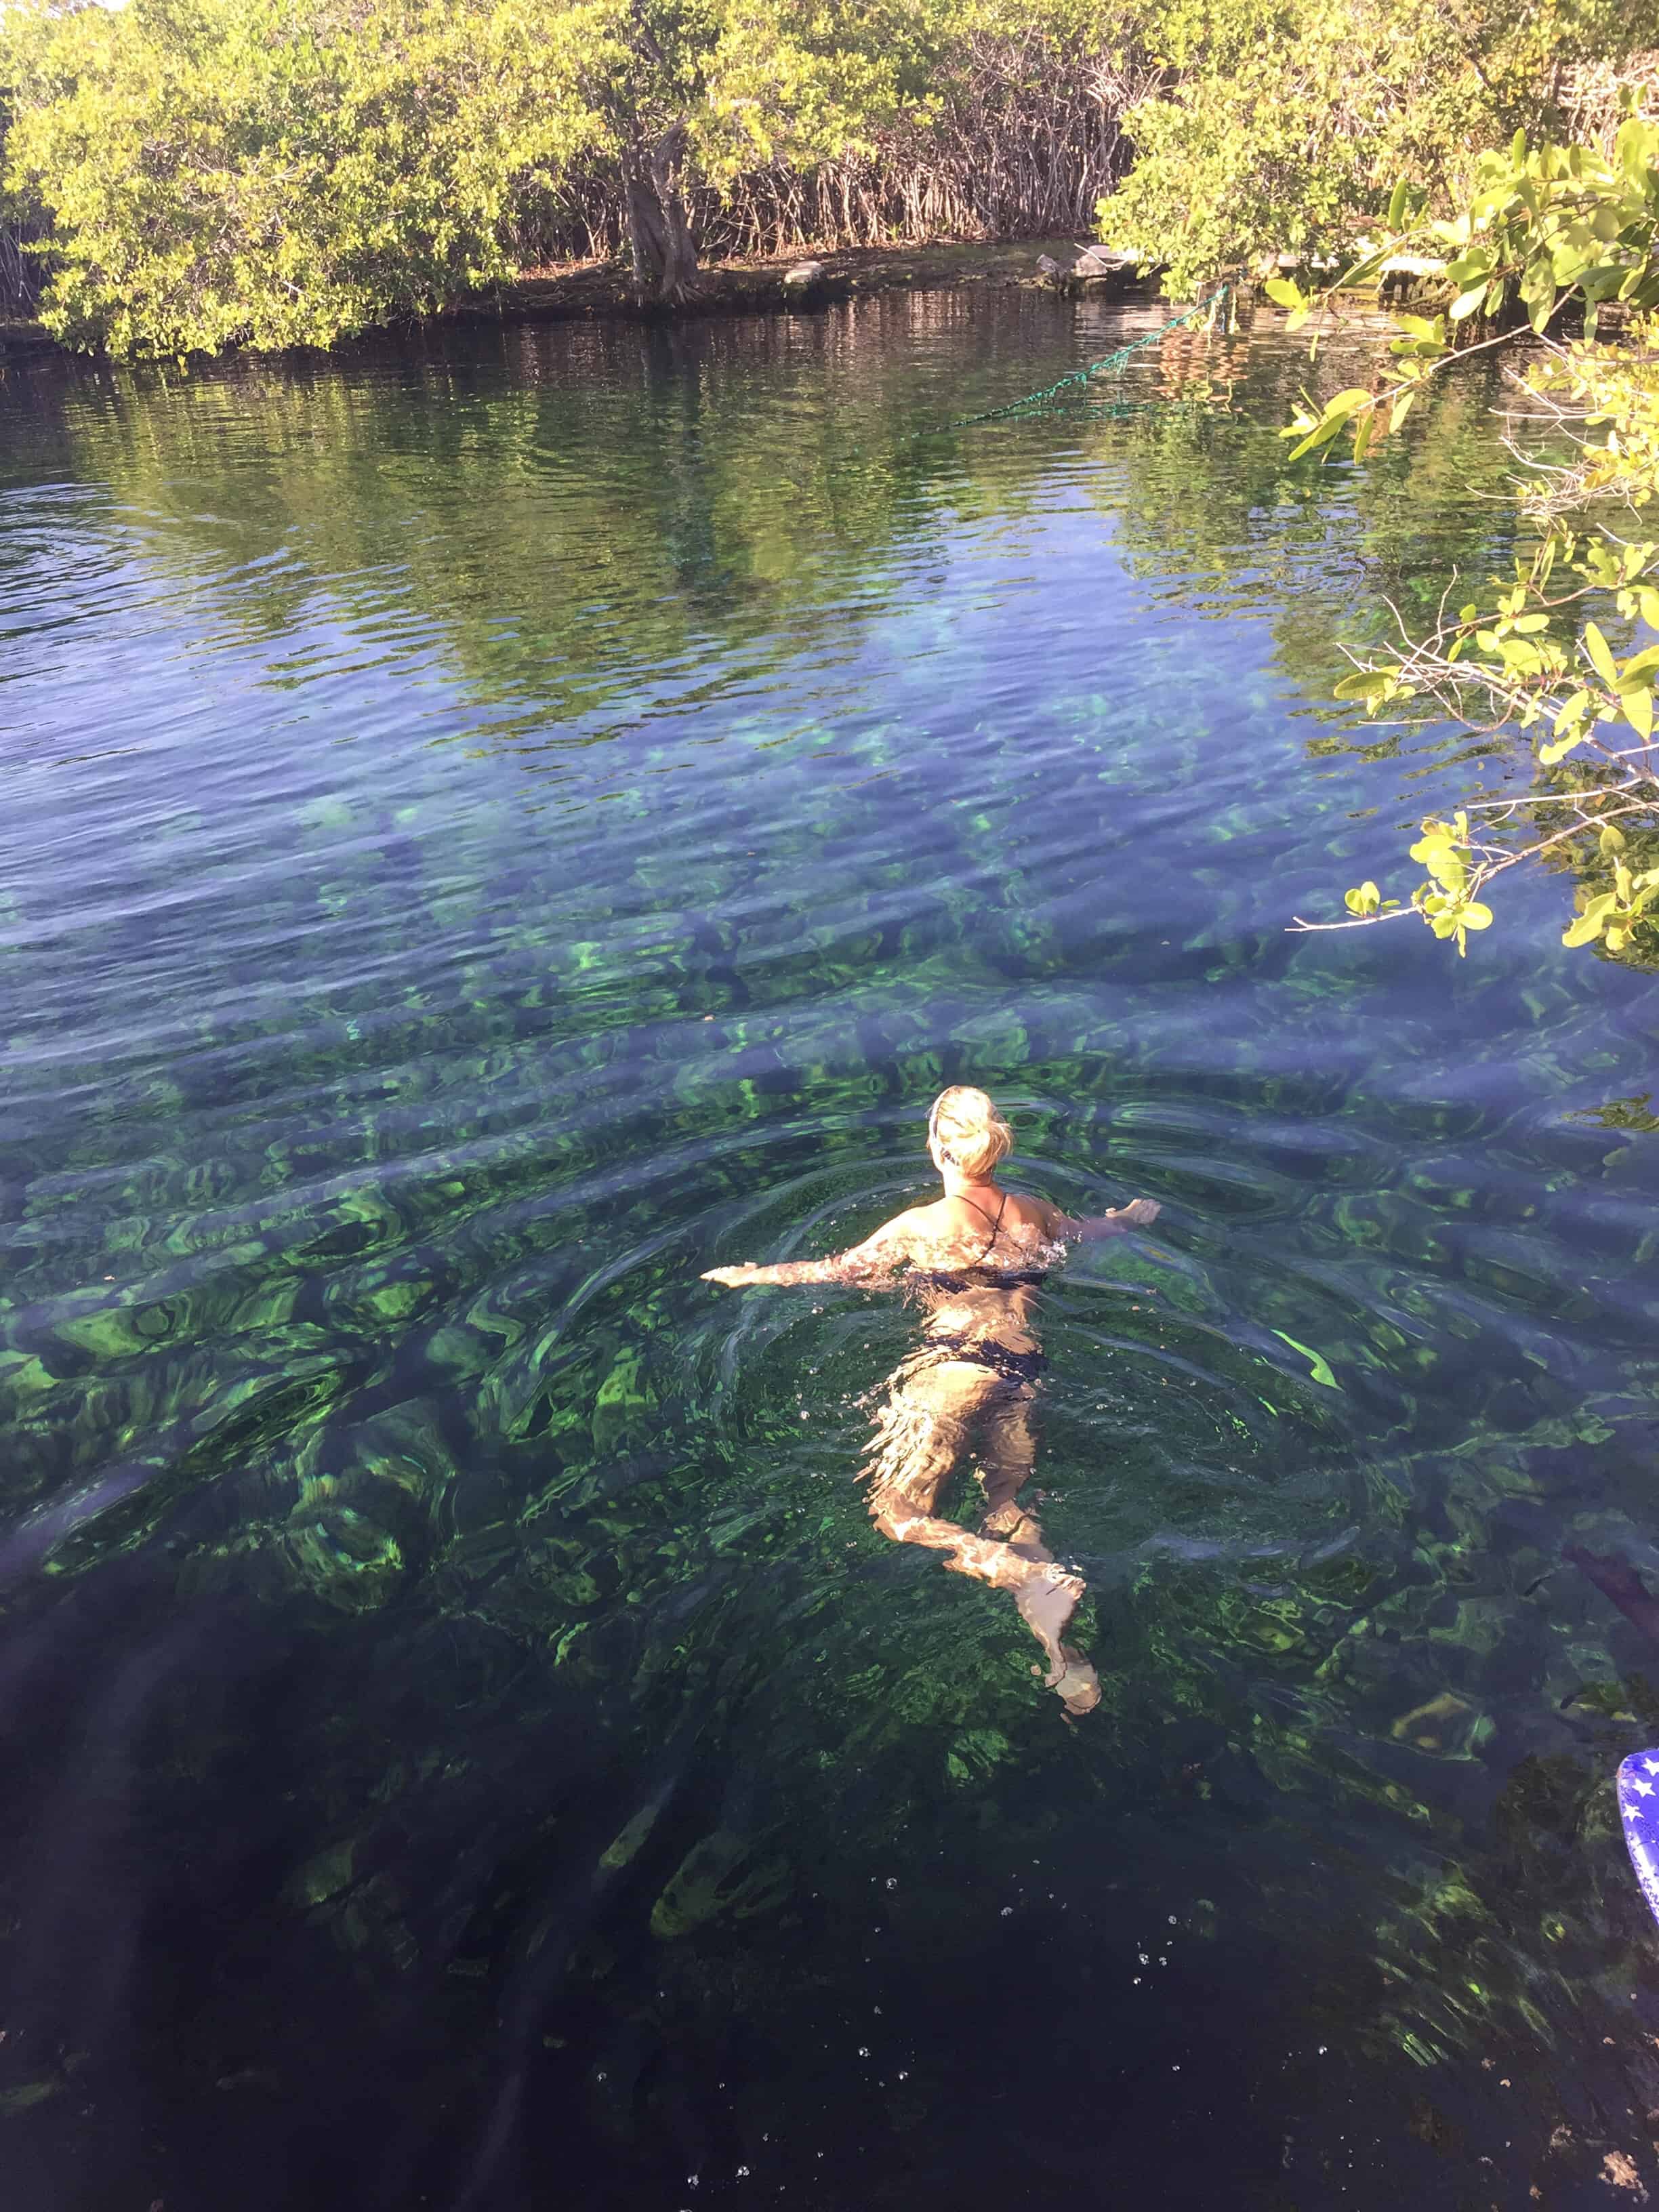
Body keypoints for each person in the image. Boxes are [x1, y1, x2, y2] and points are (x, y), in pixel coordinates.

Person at [703, 1086, 1160, 1716]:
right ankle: (1056, 1640)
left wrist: (752, 1275)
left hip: (955, 1367)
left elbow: (839, 1271)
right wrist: (1130, 1218)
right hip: (1025, 1368)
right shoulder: (1037, 1211)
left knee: (895, 1514)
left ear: (939, 1148)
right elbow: (1092, 1232)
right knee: (1005, 1506)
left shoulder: (923, 1225)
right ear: (995, 1146)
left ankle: (1023, 1576)